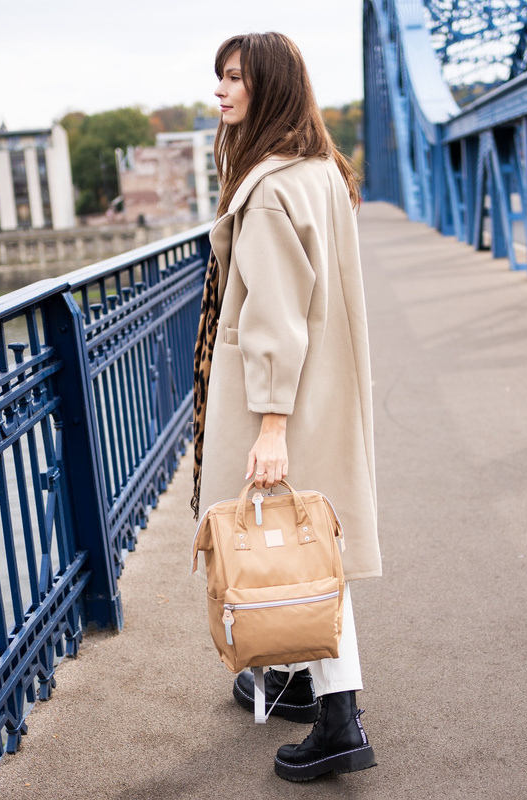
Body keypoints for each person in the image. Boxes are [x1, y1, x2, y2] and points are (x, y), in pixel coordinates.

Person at [190, 32, 382, 782]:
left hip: (286, 397)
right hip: (324, 383)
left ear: (266, 87)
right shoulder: (319, 172)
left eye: (234, 79)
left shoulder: (267, 189)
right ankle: (308, 684)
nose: (221, 92)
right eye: (219, 79)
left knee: (296, 552)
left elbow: (274, 315)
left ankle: (340, 720)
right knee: (313, 543)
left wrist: (270, 426)